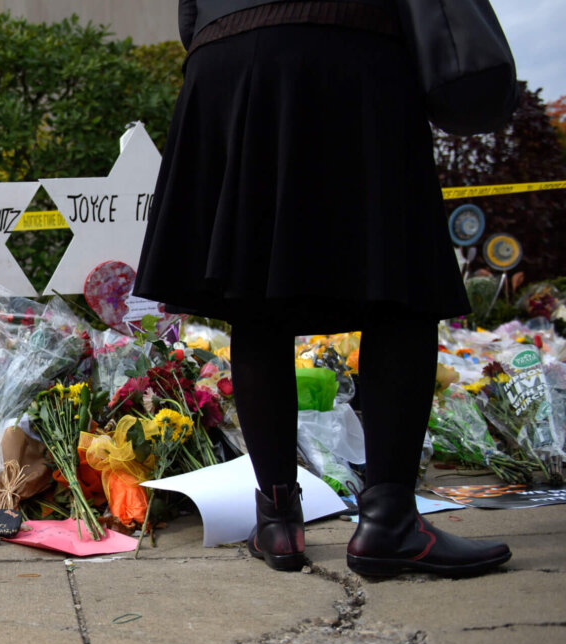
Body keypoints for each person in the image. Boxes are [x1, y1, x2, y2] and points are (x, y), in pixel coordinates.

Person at [134, 0, 511, 577]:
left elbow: (189, 16)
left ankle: (278, 523)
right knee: (400, 287)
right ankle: (389, 522)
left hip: (228, 59)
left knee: (254, 296)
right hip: (346, 47)